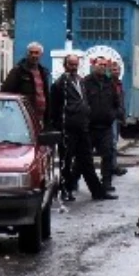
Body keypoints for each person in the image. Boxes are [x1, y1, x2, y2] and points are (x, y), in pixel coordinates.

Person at [49, 54, 116, 201]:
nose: (73, 67)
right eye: (71, 64)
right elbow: (53, 108)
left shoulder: (80, 81)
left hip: (83, 127)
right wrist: (58, 127)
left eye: (75, 64)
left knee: (87, 161)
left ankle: (97, 192)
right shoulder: (60, 83)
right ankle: (65, 190)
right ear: (65, 65)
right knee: (66, 162)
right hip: (68, 128)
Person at [83, 57, 122, 193]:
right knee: (84, 157)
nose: (102, 67)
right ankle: (72, 183)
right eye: (100, 64)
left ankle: (106, 183)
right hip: (89, 127)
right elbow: (82, 102)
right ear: (94, 65)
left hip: (105, 126)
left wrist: (113, 114)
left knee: (108, 154)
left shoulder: (110, 83)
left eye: (105, 65)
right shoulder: (86, 82)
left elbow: (116, 103)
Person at [1, 42, 52, 131]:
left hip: (40, 118)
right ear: (27, 54)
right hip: (22, 117)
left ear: (41, 55)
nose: (33, 55)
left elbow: (45, 94)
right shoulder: (18, 71)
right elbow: (5, 92)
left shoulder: (43, 72)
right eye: (31, 52)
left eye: (36, 53)